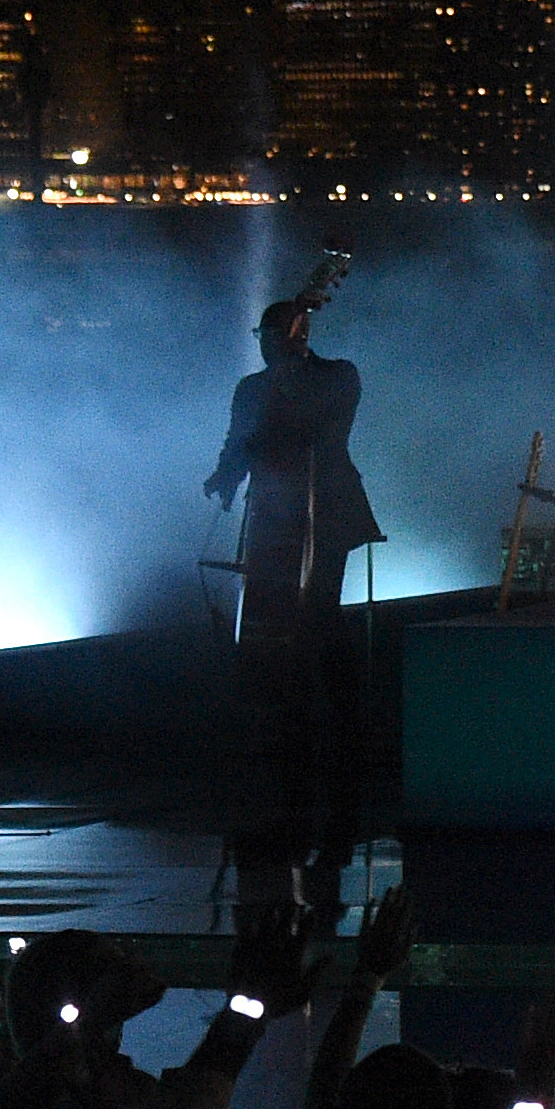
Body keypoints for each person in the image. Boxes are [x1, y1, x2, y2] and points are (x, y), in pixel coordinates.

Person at [203, 287, 379, 785]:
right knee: (274, 622)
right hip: (275, 516)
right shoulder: (251, 388)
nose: (263, 346)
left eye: (272, 336)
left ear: (294, 336)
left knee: (320, 613)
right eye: (261, 337)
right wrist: (225, 479)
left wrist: (289, 376)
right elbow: (239, 441)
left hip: (326, 511)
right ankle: (283, 720)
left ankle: (345, 725)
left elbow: (322, 427)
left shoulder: (337, 376)